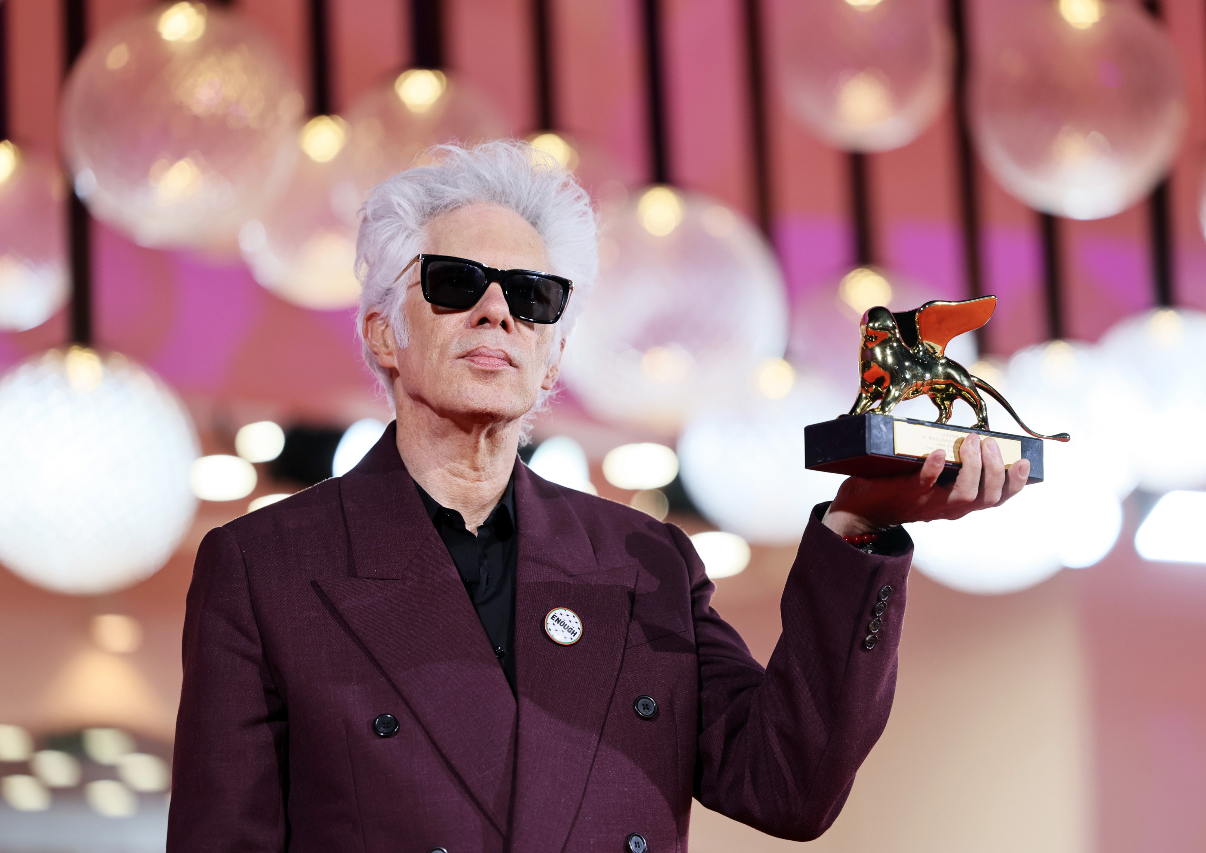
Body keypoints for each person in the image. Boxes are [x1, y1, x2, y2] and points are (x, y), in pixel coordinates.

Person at [167, 141, 1029, 853]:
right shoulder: (267, 567)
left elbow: (789, 785)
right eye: (457, 282)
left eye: (532, 296)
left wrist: (860, 527)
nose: (498, 311)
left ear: (554, 350)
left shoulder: (644, 562)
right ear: (384, 332)